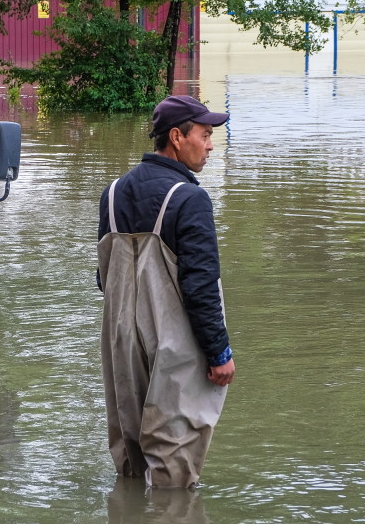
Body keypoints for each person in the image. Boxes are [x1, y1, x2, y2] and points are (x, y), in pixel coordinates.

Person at [97, 95, 235, 488]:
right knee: (174, 464)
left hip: (120, 341)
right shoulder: (190, 199)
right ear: (177, 137)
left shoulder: (111, 194)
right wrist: (218, 352)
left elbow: (102, 280)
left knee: (130, 456)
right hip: (173, 344)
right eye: (205, 135)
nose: (210, 145)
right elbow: (200, 285)